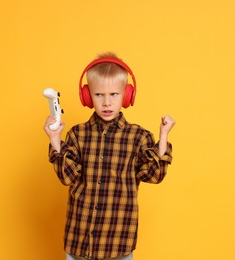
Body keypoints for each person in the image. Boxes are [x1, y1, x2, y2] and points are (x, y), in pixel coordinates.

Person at [43, 52, 176, 260]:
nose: (106, 102)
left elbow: (155, 175)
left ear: (127, 95)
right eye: (98, 95)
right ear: (87, 97)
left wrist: (163, 136)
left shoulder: (138, 137)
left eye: (114, 94)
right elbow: (67, 177)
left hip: (118, 243)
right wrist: (55, 139)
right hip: (79, 240)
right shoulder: (78, 134)